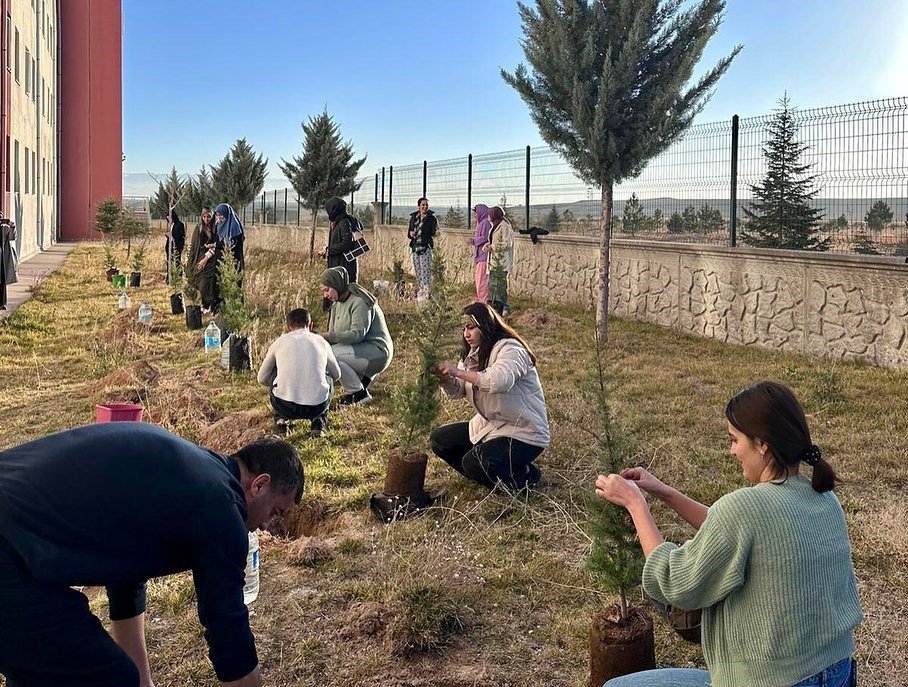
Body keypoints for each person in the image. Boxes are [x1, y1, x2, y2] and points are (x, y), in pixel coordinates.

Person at [595, 380, 862, 687]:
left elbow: (673, 580)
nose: (732, 450)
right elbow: (731, 531)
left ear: (762, 444)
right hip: (837, 675)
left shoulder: (745, 508)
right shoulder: (823, 498)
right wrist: (664, 492)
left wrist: (635, 504)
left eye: (735, 439)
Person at [0, 422, 304, 687]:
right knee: (107, 678)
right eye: (275, 512)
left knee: (46, 667)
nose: (265, 525)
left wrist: (143, 679)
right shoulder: (220, 507)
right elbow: (227, 626)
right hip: (9, 550)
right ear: (259, 485)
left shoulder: (189, 474)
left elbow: (126, 572)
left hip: (15, 539)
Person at [430, 302, 549, 489]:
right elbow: (458, 391)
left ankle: (526, 476)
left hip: (523, 431)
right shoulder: (473, 354)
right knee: (439, 440)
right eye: (463, 329)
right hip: (491, 426)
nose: (466, 334)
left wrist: (458, 372)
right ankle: (489, 472)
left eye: (471, 328)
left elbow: (499, 381)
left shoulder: (511, 350)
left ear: (486, 324)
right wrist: (444, 378)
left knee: (474, 463)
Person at [257, 308, 341, 438]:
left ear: (288, 327)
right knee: (327, 377)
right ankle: (318, 422)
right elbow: (337, 375)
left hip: (285, 406)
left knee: (274, 372)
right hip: (317, 406)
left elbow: (262, 378)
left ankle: (281, 421)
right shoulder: (322, 342)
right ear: (310, 325)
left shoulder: (279, 342)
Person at [318, 266, 393, 406]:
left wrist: (327, 336)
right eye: (323, 291)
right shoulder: (336, 304)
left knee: (332, 355)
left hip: (378, 352)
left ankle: (358, 393)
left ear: (336, 285)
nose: (325, 295)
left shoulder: (359, 301)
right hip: (361, 351)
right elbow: (334, 336)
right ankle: (364, 381)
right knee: (328, 353)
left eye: (327, 290)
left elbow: (357, 334)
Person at [189, 207, 222, 313]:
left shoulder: (216, 229)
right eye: (204, 216)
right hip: (199, 258)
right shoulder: (198, 228)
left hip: (211, 259)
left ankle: (210, 304)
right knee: (200, 282)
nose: (206, 219)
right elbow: (193, 245)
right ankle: (205, 303)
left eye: (208, 216)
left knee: (210, 283)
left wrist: (206, 258)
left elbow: (217, 245)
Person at [318, 197, 358, 285]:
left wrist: (329, 249)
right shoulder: (338, 222)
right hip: (338, 265)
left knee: (341, 292)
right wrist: (326, 250)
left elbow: (346, 243)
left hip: (343, 266)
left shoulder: (344, 222)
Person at [483, 206, 515, 313]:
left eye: (490, 215)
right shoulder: (495, 226)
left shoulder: (505, 227)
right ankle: (495, 307)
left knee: (501, 286)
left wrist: (492, 247)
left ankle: (504, 307)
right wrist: (488, 245)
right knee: (493, 285)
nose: (488, 217)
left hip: (502, 261)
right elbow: (493, 241)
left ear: (494, 215)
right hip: (494, 261)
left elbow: (507, 244)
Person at [407, 197, 437, 299]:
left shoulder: (431, 219)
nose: (425, 207)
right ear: (419, 206)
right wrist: (412, 234)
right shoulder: (414, 218)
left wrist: (423, 231)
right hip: (416, 248)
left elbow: (433, 232)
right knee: (418, 272)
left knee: (425, 272)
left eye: (426, 205)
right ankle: (420, 293)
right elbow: (409, 234)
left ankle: (426, 294)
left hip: (425, 247)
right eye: (423, 205)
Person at [469, 204, 492, 303]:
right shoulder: (482, 223)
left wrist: (473, 240)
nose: (475, 215)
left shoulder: (485, 223)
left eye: (476, 213)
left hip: (483, 257)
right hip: (481, 257)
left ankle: (483, 301)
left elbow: (484, 238)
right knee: (480, 280)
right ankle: (482, 299)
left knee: (482, 280)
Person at [214, 203, 245, 277]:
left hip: (233, 261)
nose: (219, 217)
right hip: (220, 261)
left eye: (221, 215)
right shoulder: (218, 226)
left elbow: (231, 245)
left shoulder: (235, 228)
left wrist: (216, 245)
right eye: (217, 215)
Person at [0, 216, 17, 311]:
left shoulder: (5, 228)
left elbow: (12, 237)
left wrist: (12, 226)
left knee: (2, 280)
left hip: (2, 257)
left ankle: (2, 303)